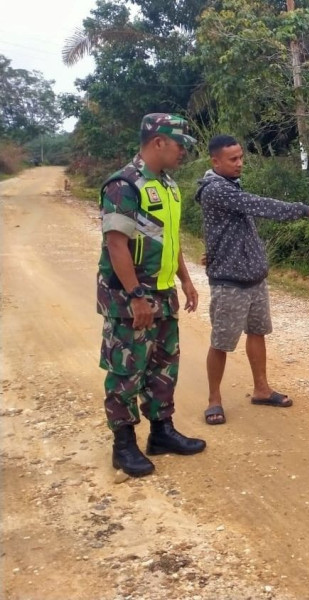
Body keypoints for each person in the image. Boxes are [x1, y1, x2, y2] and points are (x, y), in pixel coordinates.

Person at [195, 135, 309, 425]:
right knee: (221, 342)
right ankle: (213, 400)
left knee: (257, 332)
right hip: (229, 281)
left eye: (241, 157)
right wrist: (304, 210)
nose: (239, 163)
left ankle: (262, 389)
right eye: (233, 159)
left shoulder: (231, 184)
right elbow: (259, 205)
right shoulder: (216, 189)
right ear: (215, 161)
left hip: (254, 277)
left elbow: (224, 230)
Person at [97, 113, 206, 478]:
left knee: (163, 365)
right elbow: (116, 244)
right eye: (179, 145)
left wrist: (186, 280)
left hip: (163, 293)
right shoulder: (124, 184)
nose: (183, 152)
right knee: (126, 369)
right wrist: (135, 296)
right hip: (131, 297)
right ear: (158, 142)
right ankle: (123, 444)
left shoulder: (168, 185)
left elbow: (168, 238)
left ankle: (161, 431)